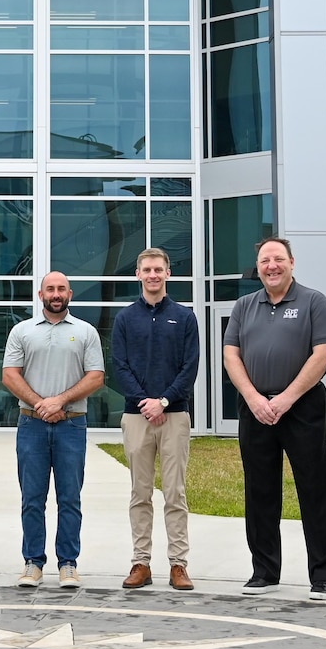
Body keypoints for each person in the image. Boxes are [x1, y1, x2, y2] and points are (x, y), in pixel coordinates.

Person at [222, 237, 326, 600]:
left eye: (278, 259)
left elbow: (324, 353)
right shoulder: (244, 305)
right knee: (260, 492)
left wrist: (287, 398)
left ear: (291, 263)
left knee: (315, 489)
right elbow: (231, 355)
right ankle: (264, 571)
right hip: (255, 408)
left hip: (301, 407)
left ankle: (322, 575)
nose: (271, 266)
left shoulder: (313, 302)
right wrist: (254, 398)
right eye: (264, 260)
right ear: (257, 267)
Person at [1, 271, 106, 589]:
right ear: (40, 294)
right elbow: (9, 375)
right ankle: (33, 562)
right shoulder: (22, 331)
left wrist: (58, 401)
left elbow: (96, 376)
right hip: (31, 424)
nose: (56, 294)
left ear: (70, 294)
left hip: (72, 424)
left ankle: (68, 563)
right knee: (32, 498)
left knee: (70, 498)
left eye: (61, 289)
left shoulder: (86, 332)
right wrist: (40, 404)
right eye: (50, 289)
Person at [112, 246, 200, 591]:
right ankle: (141, 563)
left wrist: (163, 401)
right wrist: (145, 402)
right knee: (140, 493)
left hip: (175, 415)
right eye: (146, 269)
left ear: (168, 273)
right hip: (136, 417)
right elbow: (120, 367)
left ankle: (179, 564)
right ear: (138, 274)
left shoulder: (185, 317)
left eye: (158, 269)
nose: (152, 275)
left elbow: (189, 367)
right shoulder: (124, 319)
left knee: (175, 492)